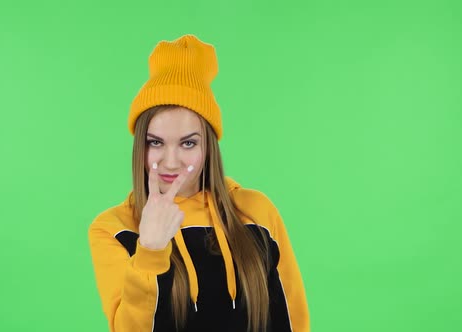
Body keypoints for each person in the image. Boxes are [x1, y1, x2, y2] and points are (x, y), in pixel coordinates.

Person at [88, 34, 310, 332]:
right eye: (156, 143)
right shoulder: (114, 228)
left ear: (208, 147)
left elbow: (292, 320)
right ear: (140, 145)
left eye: (188, 144)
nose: (171, 161)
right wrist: (150, 250)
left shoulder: (257, 212)